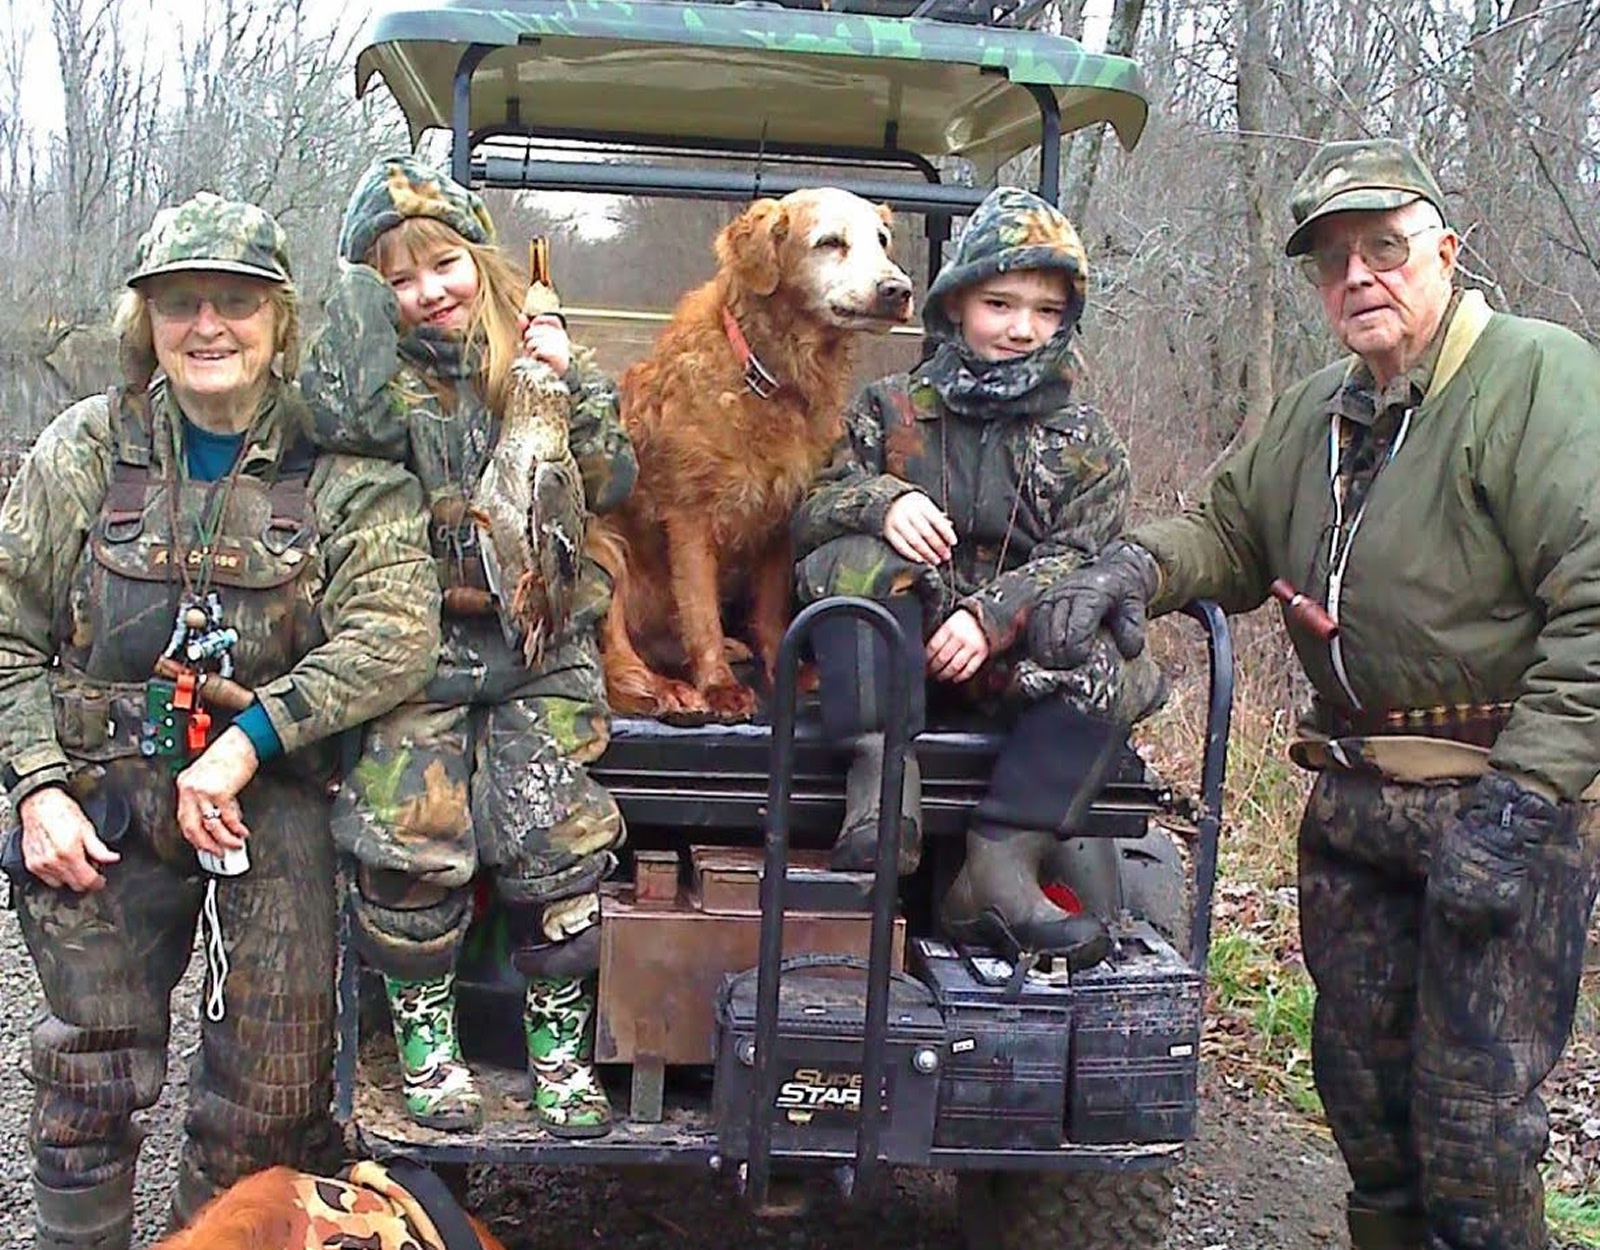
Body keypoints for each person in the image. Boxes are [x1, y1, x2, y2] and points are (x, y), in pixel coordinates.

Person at [1031, 138, 1600, 1250]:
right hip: (1348, 806)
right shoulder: (1316, 411)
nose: (1358, 277)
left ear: (1444, 248)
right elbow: (1229, 532)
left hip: (1490, 805)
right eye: (1332, 260)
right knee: (1366, 1113)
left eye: (1383, 248)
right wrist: (1132, 568)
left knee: (1476, 1131)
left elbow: (1594, 603)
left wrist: (1526, 803)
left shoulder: (1537, 377)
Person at [0, 192, 441, 1248]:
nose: (208, 325)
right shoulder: (84, 450)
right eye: (181, 302)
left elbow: (395, 628)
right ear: (145, 322)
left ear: (279, 320)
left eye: (236, 302)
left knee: (271, 1088)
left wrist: (252, 738)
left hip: (270, 798)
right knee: (87, 1068)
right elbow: (6, 628)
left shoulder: (338, 459)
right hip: (102, 794)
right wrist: (35, 787)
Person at [301, 155, 636, 1138]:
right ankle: (425, 1048)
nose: (425, 292)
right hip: (424, 650)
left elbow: (610, 478)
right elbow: (337, 422)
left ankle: (558, 1055)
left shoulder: (536, 365)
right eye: (395, 278)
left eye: (441, 264)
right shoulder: (381, 391)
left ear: (480, 259)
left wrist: (561, 380)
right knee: (410, 839)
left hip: (542, 648)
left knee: (558, 844)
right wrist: (358, 312)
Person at [791, 185, 1163, 968]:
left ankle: (999, 865)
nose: (1021, 328)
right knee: (850, 561)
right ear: (957, 303)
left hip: (1014, 657)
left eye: (1045, 311)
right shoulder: (888, 409)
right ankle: (883, 788)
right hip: (898, 648)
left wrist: (994, 617)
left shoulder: (1085, 437)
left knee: (1114, 652)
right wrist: (882, 503)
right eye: (999, 302)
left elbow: (1082, 552)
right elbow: (809, 510)